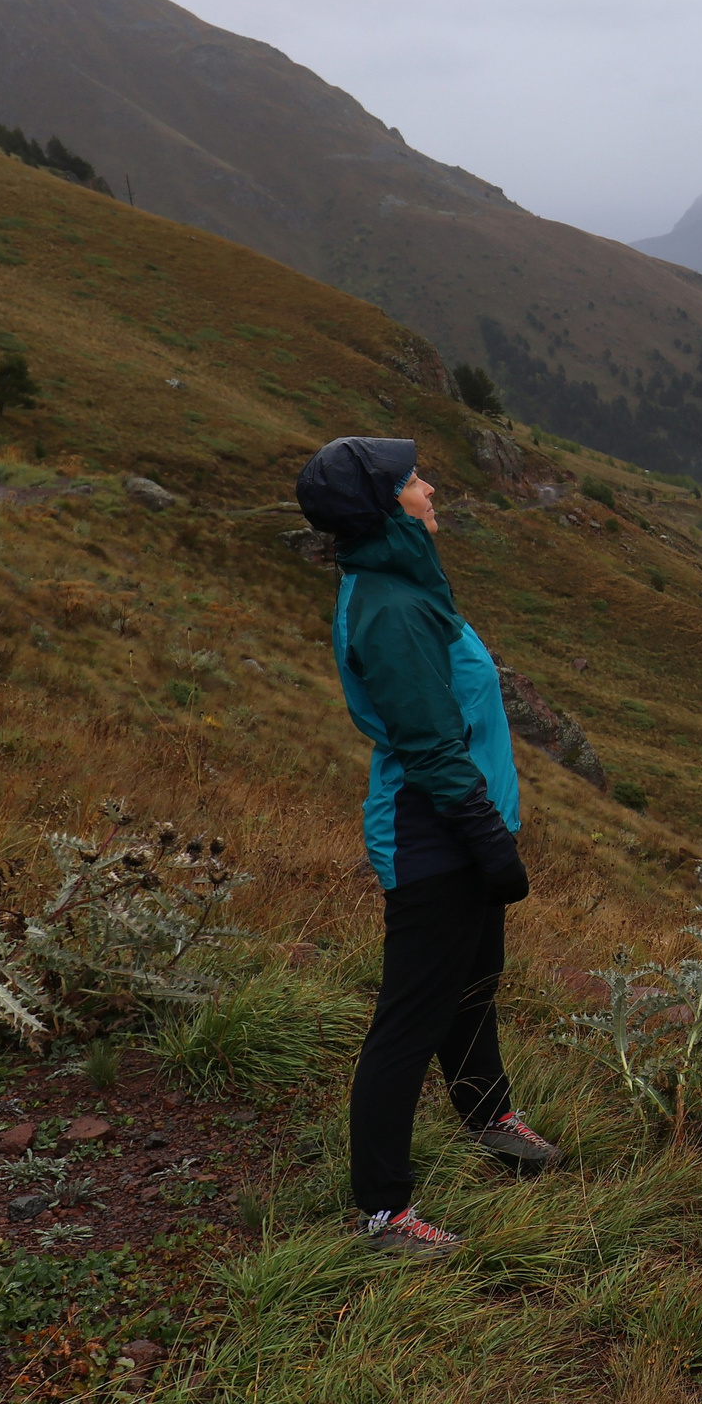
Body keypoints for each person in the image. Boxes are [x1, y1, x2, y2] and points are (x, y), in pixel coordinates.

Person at [297, 436, 559, 1256]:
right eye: (412, 480)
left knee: (473, 983)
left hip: (459, 823)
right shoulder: (393, 608)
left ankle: (488, 1117)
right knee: (407, 1023)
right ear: (383, 505)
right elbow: (432, 745)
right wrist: (489, 843)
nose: (430, 485)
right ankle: (382, 1212)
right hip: (434, 834)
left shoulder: (402, 579)